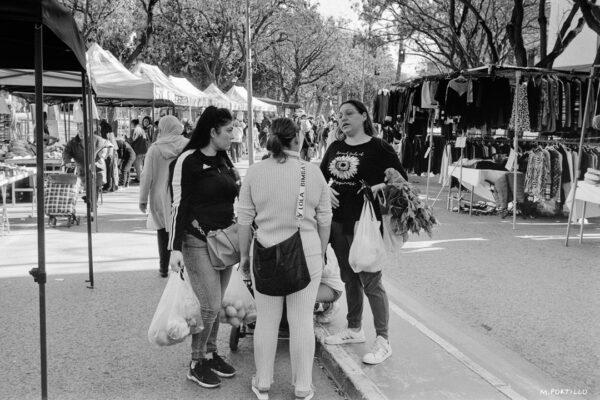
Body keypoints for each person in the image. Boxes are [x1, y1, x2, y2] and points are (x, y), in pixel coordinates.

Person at [237, 117, 332, 400]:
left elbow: (244, 219)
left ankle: (263, 382)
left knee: (267, 319)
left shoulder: (255, 172)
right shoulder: (312, 173)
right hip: (307, 252)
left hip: (266, 252)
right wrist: (321, 250)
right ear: (297, 140)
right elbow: (325, 220)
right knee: (302, 320)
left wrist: (244, 256)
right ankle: (303, 386)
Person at [320, 99, 408, 365]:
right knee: (349, 277)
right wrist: (326, 189)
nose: (342, 119)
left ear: (363, 116)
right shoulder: (335, 146)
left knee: (371, 279)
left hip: (366, 224)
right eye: (340, 116)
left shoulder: (379, 147)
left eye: (348, 114)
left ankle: (383, 340)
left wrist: (378, 188)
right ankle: (354, 328)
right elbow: (320, 176)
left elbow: (400, 179)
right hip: (338, 222)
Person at [168, 106, 239, 389]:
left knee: (217, 303)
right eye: (230, 130)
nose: (234, 135)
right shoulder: (189, 160)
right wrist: (174, 248)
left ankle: (210, 353)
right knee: (208, 305)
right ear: (213, 132)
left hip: (224, 241)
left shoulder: (224, 159)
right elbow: (178, 204)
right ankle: (196, 362)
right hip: (196, 240)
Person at [139, 116, 189, 278]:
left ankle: (163, 268)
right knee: (183, 228)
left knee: (162, 230)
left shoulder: (155, 148)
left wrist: (143, 199)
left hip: (160, 196)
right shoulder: (188, 145)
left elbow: (146, 175)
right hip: (184, 193)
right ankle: (184, 266)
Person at [100, 119, 119, 192]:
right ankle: (113, 186)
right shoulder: (110, 130)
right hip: (112, 152)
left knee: (109, 170)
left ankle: (108, 186)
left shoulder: (105, 131)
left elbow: (109, 143)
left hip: (110, 152)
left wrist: (108, 155)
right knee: (112, 171)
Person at [128, 119, 149, 183]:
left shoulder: (135, 129)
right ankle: (140, 177)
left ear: (133, 123)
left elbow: (133, 139)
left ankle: (139, 178)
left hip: (138, 150)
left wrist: (127, 140)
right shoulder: (141, 129)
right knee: (141, 165)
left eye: (131, 123)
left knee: (137, 165)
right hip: (144, 149)